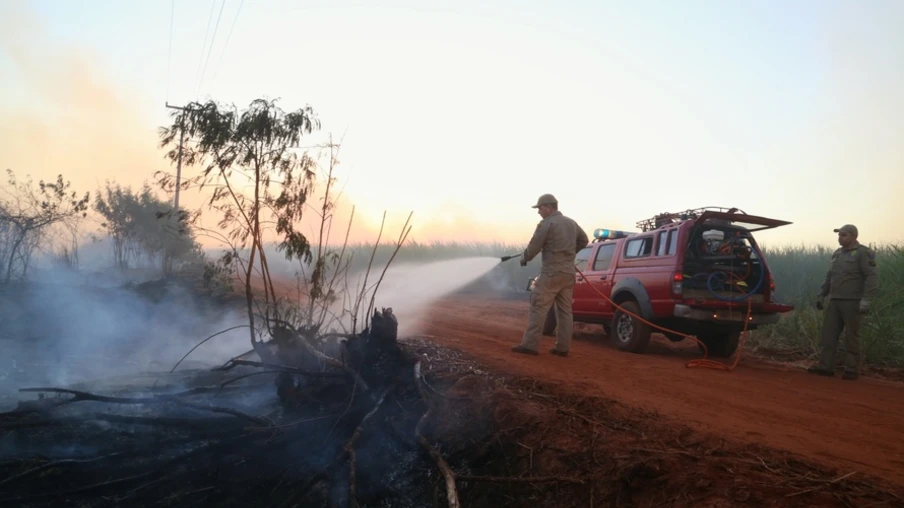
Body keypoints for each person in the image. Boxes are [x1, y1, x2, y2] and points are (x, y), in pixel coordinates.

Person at [511, 194, 589, 358]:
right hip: (568, 274)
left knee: (538, 306)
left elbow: (534, 246)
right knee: (565, 312)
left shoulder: (547, 223)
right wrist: (568, 254)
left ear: (548, 207)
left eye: (539, 208)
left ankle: (529, 345)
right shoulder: (571, 222)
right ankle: (562, 348)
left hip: (551, 273)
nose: (538, 212)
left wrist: (524, 258)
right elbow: (584, 240)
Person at [807, 224, 879, 380]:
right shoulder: (837, 253)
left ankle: (851, 369)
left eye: (844, 235)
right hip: (834, 300)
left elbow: (871, 277)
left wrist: (866, 299)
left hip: (853, 301)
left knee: (852, 336)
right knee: (828, 334)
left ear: (854, 236)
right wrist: (822, 294)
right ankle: (826, 367)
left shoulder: (864, 253)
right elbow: (830, 276)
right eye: (839, 235)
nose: (840, 238)